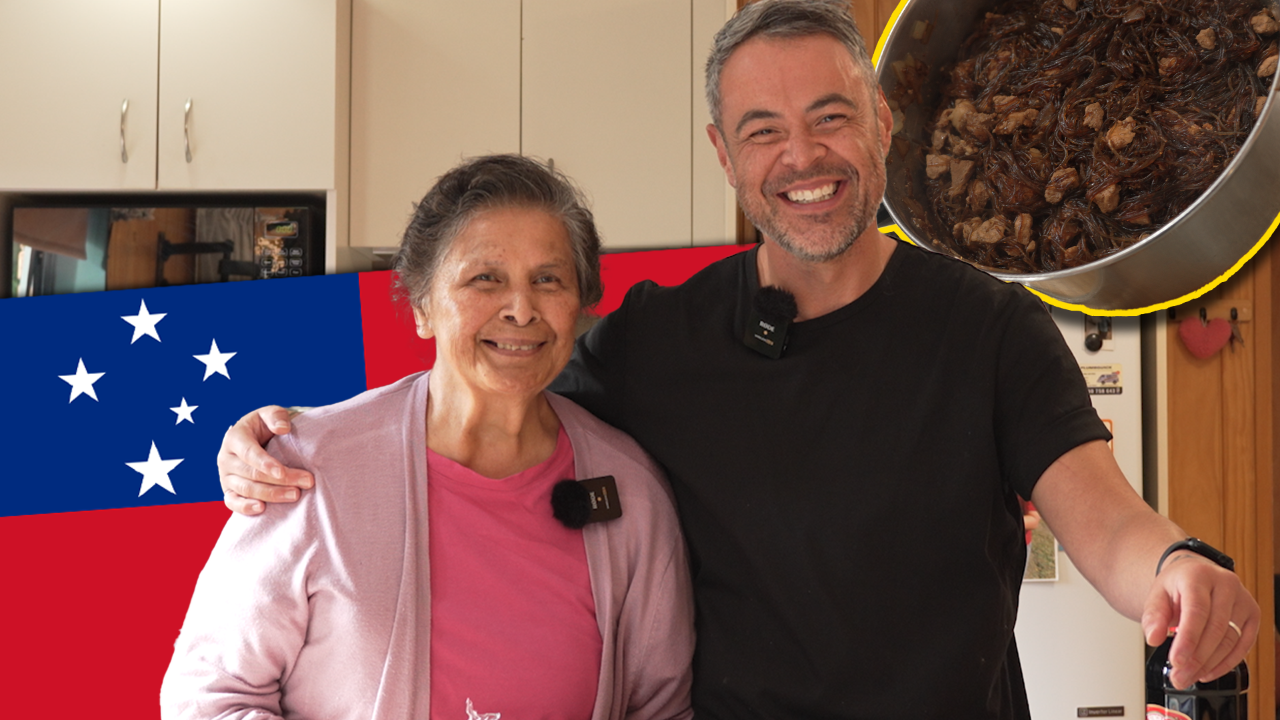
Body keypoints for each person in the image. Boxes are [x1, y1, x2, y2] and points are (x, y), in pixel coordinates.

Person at [214, 2, 1260, 718]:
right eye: (762, 131)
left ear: (881, 122)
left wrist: (1175, 567)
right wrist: (289, 437)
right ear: (724, 154)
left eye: (829, 118)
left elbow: (1105, 523)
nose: (801, 157)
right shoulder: (653, 340)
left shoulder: (989, 328)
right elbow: (485, 400)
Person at [161, 155, 695, 720]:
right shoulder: (311, 469)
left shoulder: (629, 491)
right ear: (422, 306)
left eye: (548, 279)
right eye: (485, 278)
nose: (521, 309)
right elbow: (208, 696)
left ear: (579, 305)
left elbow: (661, 710)